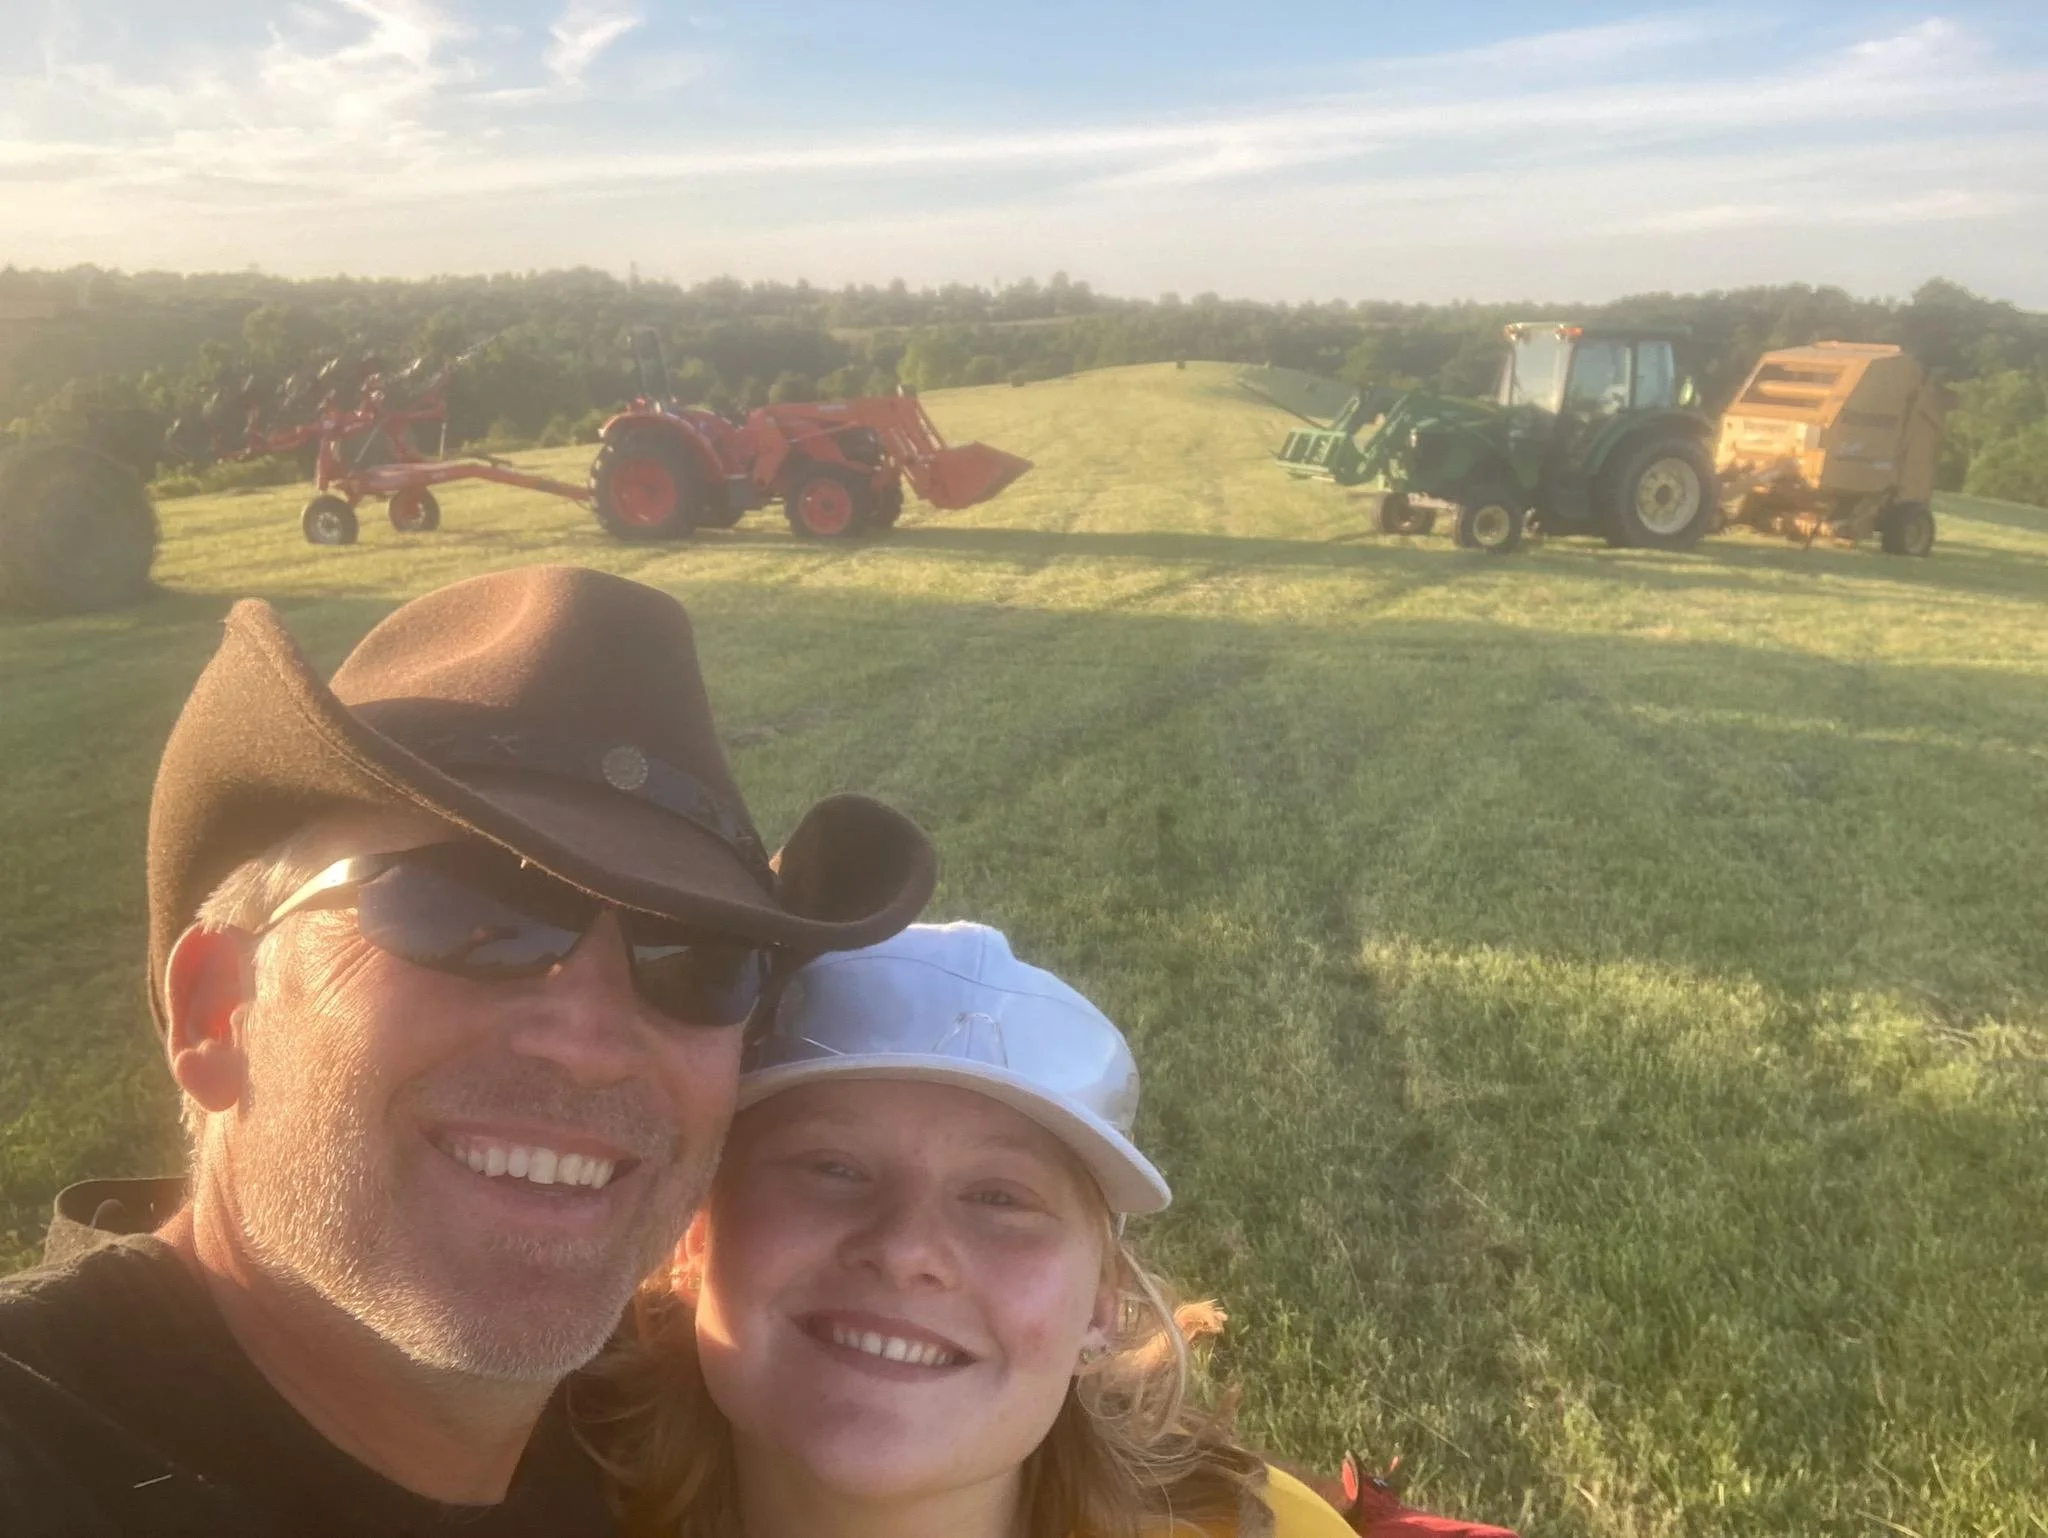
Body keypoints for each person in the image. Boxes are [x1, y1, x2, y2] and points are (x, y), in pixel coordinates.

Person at [0, 565, 937, 1535]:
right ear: (216, 1011)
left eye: (701, 961)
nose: (587, 1043)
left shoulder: (674, 1433)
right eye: (474, 915)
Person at [585, 920, 1362, 1538]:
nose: (905, 1250)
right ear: (696, 1233)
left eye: (1000, 1198)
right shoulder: (535, 1500)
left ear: (1101, 1306)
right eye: (833, 1168)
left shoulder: (1265, 1530)